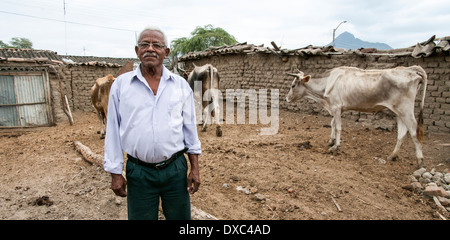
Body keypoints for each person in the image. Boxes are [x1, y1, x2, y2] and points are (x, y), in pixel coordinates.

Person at [103, 26, 201, 220]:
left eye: (156, 45)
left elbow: (190, 129)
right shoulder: (121, 85)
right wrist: (115, 172)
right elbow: (113, 130)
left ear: (166, 53)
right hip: (139, 172)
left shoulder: (180, 85)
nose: (150, 48)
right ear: (137, 51)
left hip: (175, 169)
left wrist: (195, 168)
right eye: (144, 44)